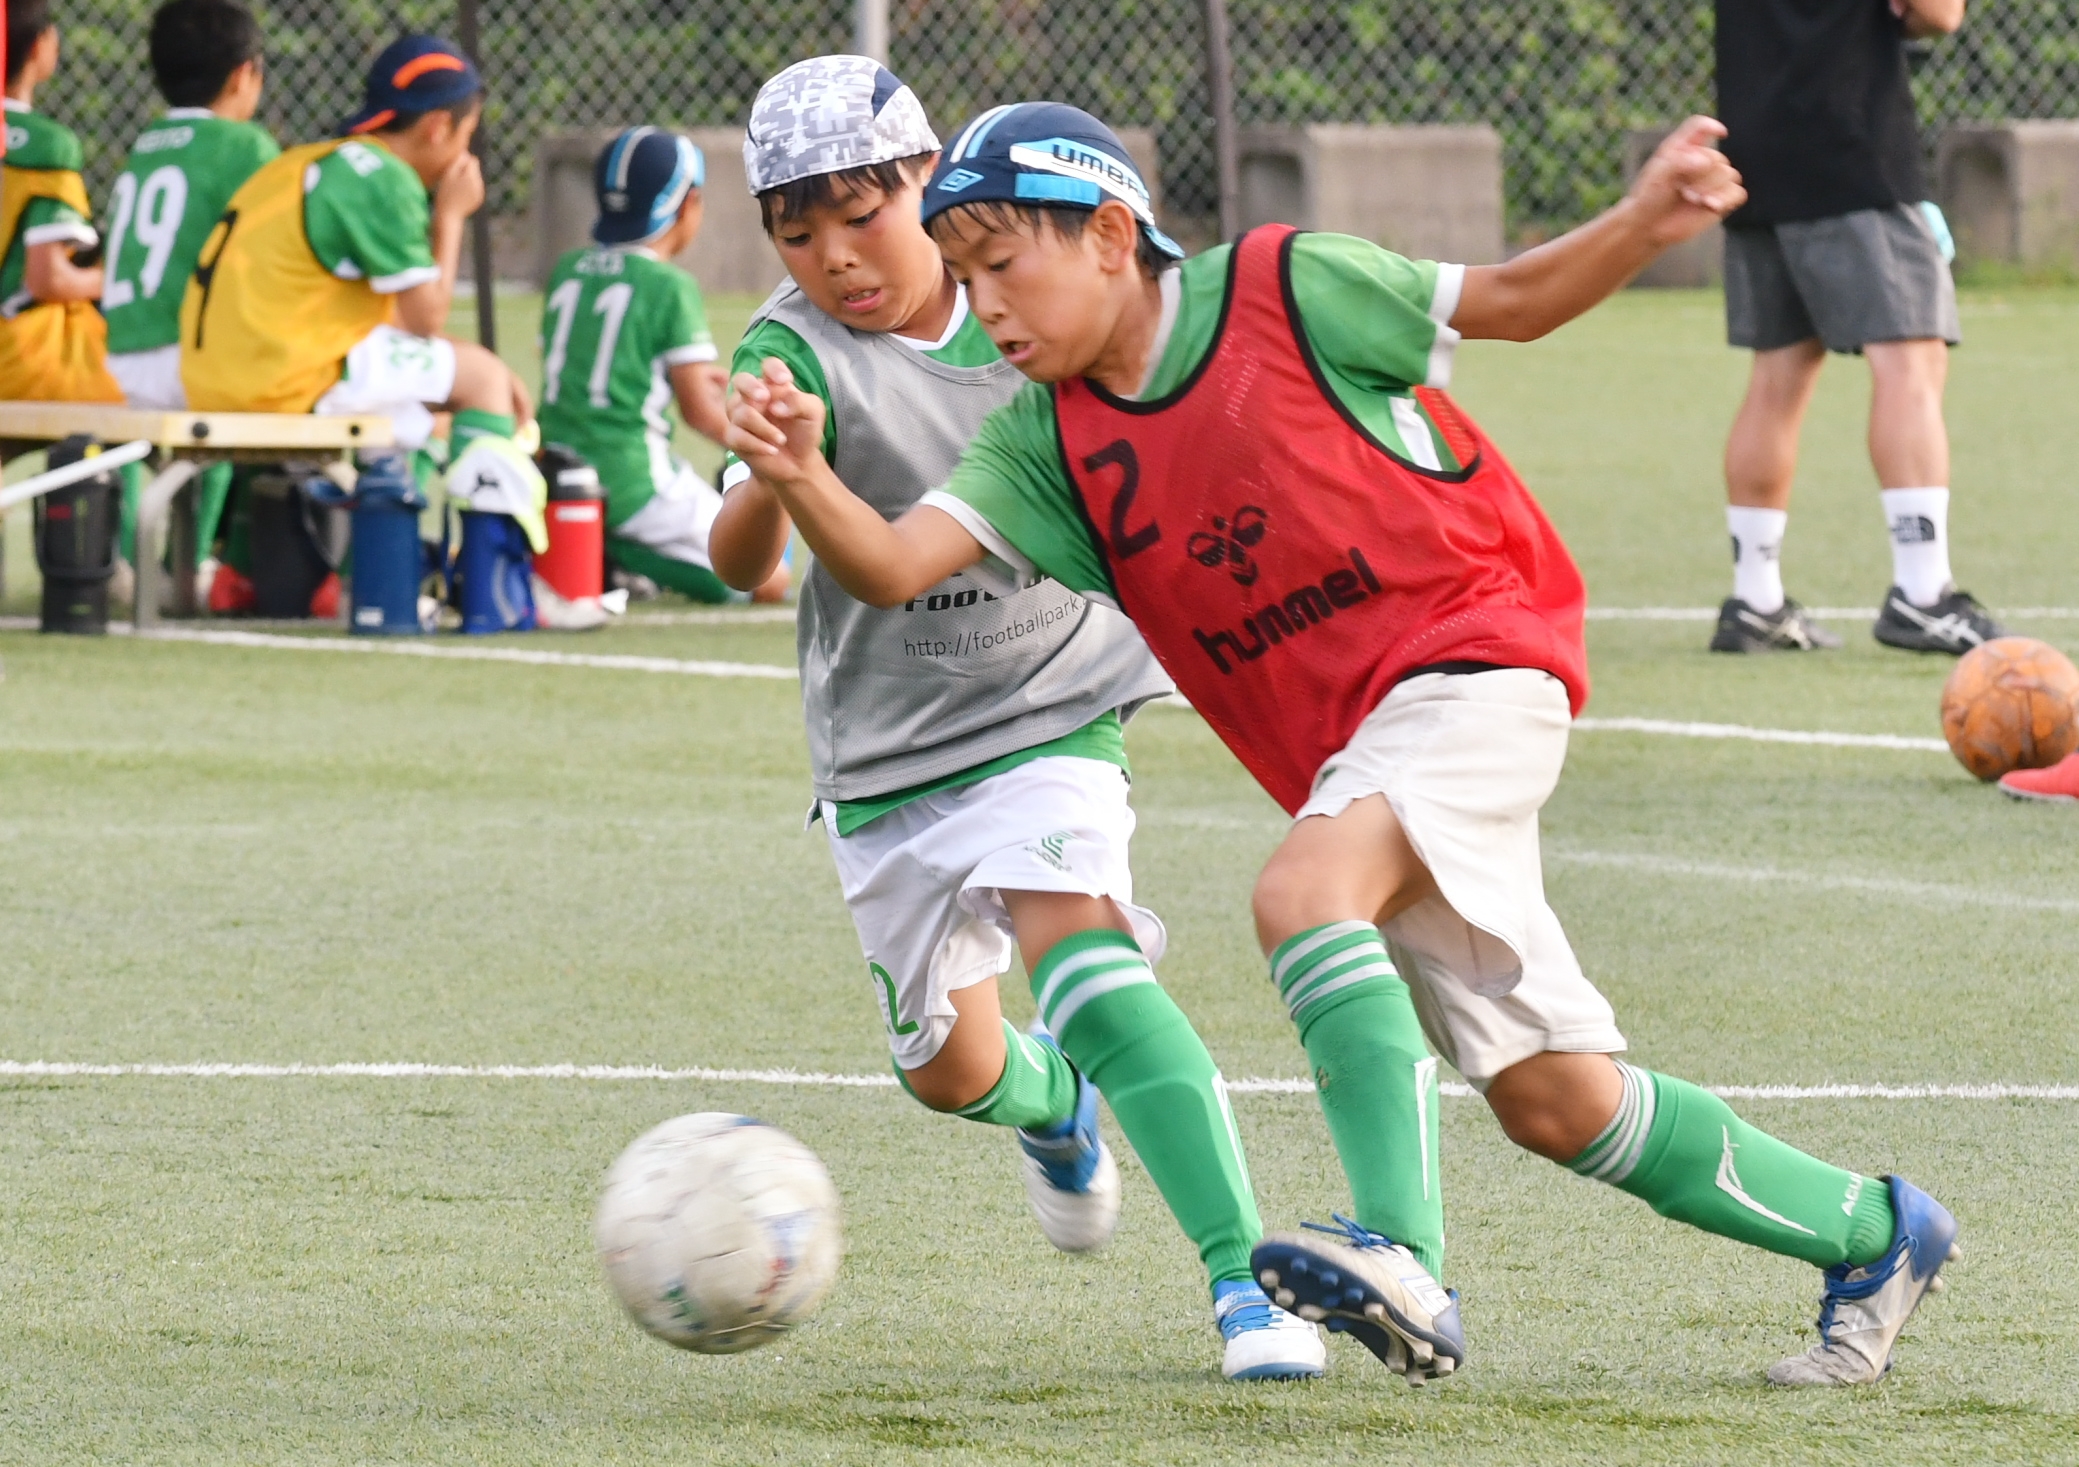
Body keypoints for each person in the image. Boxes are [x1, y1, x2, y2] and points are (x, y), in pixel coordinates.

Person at [726, 103, 1961, 1389]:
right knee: (1555, 1099)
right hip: (1358, 753)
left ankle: (1401, 1255)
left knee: (1302, 894)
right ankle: (1873, 1234)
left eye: (1002, 265)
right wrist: (801, 473)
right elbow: (890, 567)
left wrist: (1649, 219)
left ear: (1108, 235)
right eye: (964, 276)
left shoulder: (1283, 286)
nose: (985, 306)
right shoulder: (1046, 439)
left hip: (1476, 654)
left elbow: (1514, 301)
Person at [708, 57, 1322, 1381]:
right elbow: (738, 561)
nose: (835, 258)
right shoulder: (786, 351)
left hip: (1053, 707)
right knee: (946, 1070)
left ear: (927, 181)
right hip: (886, 753)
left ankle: (1246, 1284)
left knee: (1087, 964)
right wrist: (775, 471)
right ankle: (1056, 1105)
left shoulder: (1026, 299)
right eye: (796, 234)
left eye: (860, 216)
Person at [179, 29, 544, 612]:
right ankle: (489, 588)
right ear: (437, 127)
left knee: (428, 392)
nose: (467, 155)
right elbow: (424, 319)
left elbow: (386, 321)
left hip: (217, 372)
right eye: (467, 134)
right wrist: (450, 217)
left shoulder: (308, 160)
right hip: (280, 373)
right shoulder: (383, 176)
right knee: (484, 381)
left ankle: (369, 577)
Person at [1710, 0, 1998, 655]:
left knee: (1778, 372)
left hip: (1753, 148)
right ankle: (1923, 593)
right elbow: (1938, 14)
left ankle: (1755, 600)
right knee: (1911, 358)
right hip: (1849, 140)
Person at [537, 127, 786, 605]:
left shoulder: (568, 269)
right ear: (689, 203)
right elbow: (698, 411)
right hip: (632, 477)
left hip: (558, 466)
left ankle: (600, 542)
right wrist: (764, 451)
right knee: (767, 579)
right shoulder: (670, 287)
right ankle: (619, 554)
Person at [102, 0, 277, 605]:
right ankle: (190, 565)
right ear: (243, 74)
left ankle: (125, 561)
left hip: (113, 362)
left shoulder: (145, 144)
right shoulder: (245, 146)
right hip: (183, 366)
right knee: (229, 393)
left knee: (129, 434)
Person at [0, 0, 121, 402]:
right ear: (39, 46)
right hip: (17, 361)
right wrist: (117, 281)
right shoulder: (48, 145)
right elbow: (47, 279)